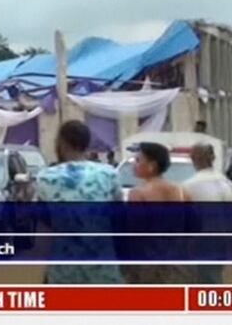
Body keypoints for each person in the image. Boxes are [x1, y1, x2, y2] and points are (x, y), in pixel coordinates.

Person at [36, 120, 123, 284]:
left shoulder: (46, 178)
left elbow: (44, 228)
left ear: (61, 142)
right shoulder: (109, 175)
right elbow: (119, 220)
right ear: (87, 143)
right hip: (102, 265)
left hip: (64, 268)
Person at [121, 142, 192, 284]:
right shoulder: (181, 191)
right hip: (176, 261)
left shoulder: (138, 193)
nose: (134, 164)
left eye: (138, 160)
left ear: (151, 165)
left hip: (147, 262)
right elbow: (192, 225)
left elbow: (134, 231)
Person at [183, 143, 232, 284]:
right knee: (214, 275)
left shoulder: (189, 185)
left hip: (203, 241)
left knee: (207, 279)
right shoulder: (228, 183)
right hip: (226, 239)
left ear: (193, 159)